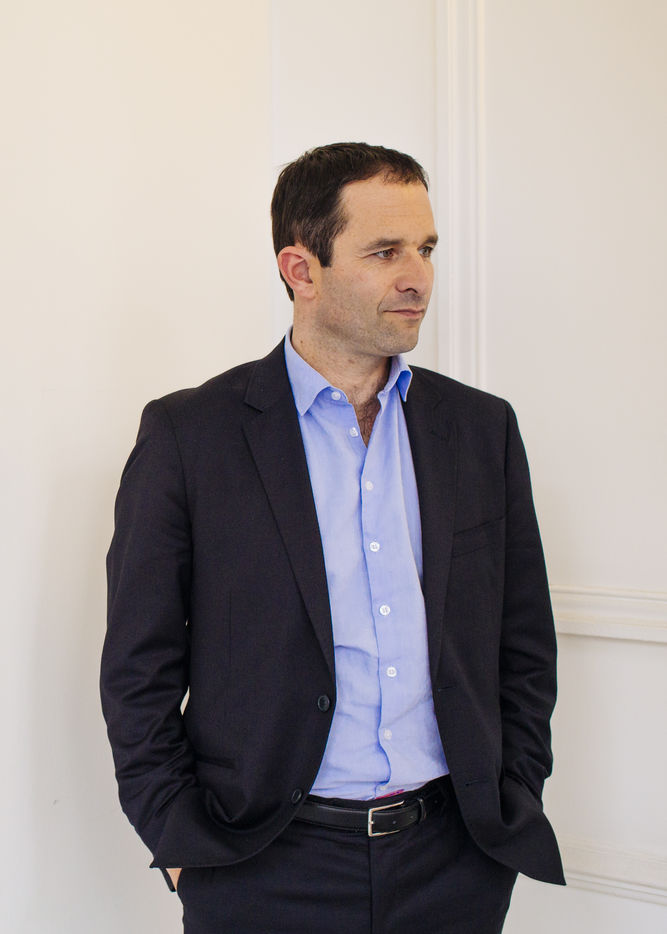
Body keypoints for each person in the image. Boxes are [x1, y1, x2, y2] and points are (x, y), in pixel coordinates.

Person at [101, 142, 564, 934]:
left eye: (425, 249)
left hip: (453, 864)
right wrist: (182, 846)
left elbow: (523, 647)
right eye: (384, 252)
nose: (417, 277)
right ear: (300, 269)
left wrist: (509, 796)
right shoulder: (191, 436)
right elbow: (137, 668)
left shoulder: (479, 429)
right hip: (263, 867)